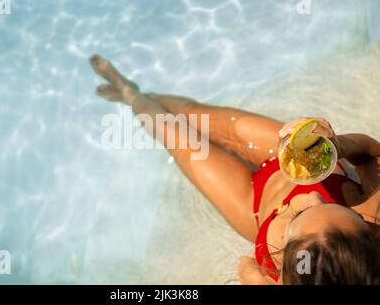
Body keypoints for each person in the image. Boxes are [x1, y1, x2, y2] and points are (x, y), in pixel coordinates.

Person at [89, 54, 380, 285]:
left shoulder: (278, 275)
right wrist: (338, 146)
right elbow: (372, 155)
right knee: (193, 114)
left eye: (300, 216)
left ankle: (129, 94)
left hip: (252, 203)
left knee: (175, 136)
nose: (306, 198)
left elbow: (246, 267)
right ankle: (145, 94)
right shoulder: (374, 215)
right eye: (349, 213)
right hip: (290, 156)